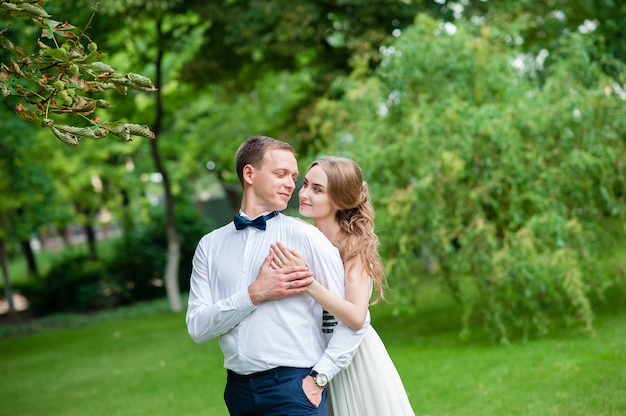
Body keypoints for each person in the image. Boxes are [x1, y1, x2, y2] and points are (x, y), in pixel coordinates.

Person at [185, 136, 369, 416]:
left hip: (294, 389)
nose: (291, 184)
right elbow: (198, 328)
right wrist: (254, 294)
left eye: (294, 177)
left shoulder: (308, 238)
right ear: (249, 174)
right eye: (281, 174)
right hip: (237, 393)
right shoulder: (209, 246)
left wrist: (320, 377)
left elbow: (352, 319)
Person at [270, 156, 415, 416]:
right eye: (305, 184)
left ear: (339, 200)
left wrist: (308, 282)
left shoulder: (354, 246)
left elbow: (357, 317)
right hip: (313, 355)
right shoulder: (303, 235)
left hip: (354, 360)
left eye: (317, 189)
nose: (303, 193)